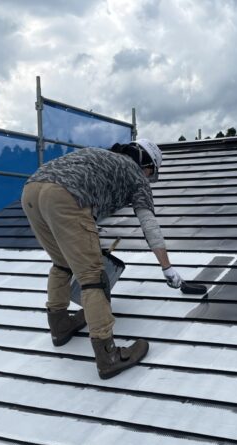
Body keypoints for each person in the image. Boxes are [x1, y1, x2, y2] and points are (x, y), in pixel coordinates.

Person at [21, 138, 183, 379]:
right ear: (145, 162)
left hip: (32, 191)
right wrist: (167, 268)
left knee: (62, 263)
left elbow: (87, 210)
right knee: (93, 278)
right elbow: (149, 225)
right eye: (150, 171)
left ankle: (60, 326)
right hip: (65, 196)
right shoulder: (136, 176)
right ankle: (109, 357)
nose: (148, 177)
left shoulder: (99, 155)